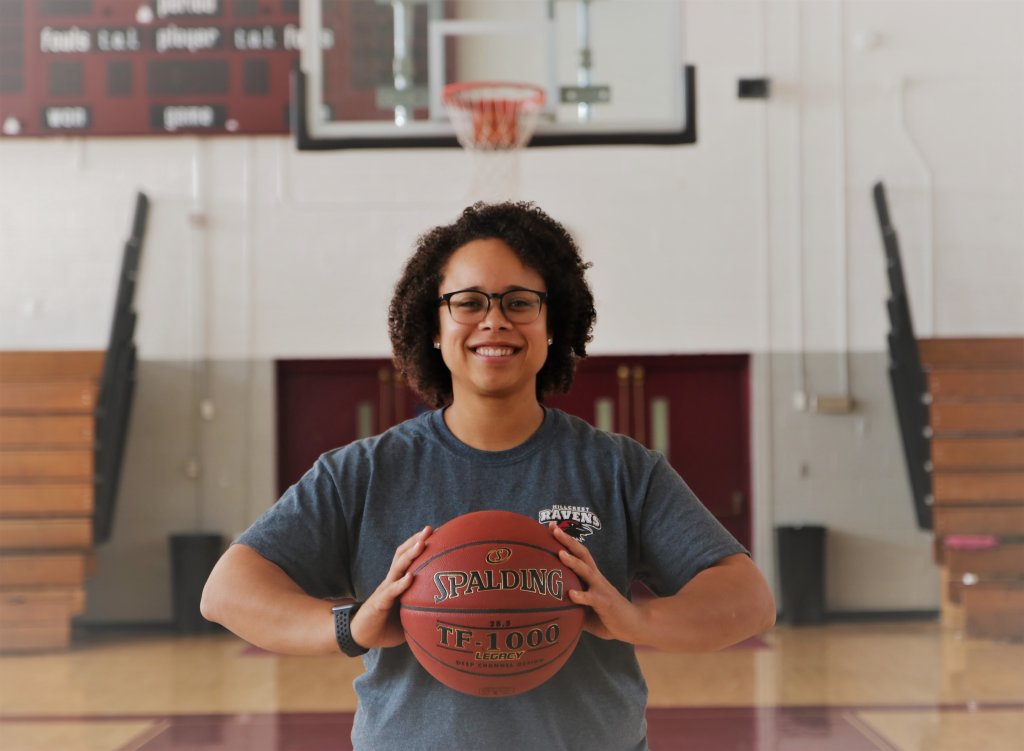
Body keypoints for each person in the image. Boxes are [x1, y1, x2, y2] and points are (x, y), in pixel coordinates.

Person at [201, 201, 776, 750]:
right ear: (434, 325)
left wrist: (635, 619)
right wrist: (355, 625)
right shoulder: (365, 472)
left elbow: (747, 600)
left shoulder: (621, 469)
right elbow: (228, 591)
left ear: (554, 325)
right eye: (469, 302)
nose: (494, 320)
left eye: (520, 302)